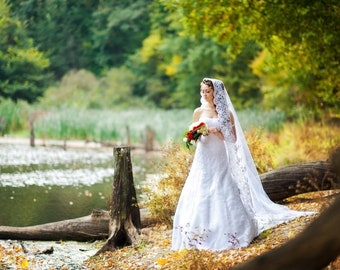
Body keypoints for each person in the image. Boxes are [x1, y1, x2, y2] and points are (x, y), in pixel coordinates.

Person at [171, 78, 315, 251]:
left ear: (216, 92)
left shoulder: (226, 113)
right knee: (201, 185)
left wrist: (217, 132)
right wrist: (197, 134)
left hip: (220, 155)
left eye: (207, 91)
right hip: (203, 157)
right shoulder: (198, 112)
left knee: (222, 185)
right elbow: (193, 137)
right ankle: (196, 233)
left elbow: (232, 139)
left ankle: (231, 230)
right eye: (202, 91)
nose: (204, 95)